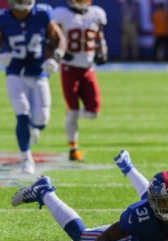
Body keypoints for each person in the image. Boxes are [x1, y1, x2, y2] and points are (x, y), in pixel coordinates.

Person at [11, 150, 168, 241]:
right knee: (82, 239)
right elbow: (105, 237)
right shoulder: (139, 216)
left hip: (152, 218)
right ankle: (45, 192)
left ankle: (128, 167)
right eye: (164, 202)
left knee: (156, 196)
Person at [0, 0, 66, 174]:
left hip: (39, 72)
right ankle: (26, 157)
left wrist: (56, 57)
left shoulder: (43, 14)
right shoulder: (1, 18)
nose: (23, 3)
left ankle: (34, 127)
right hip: (15, 72)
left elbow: (60, 39)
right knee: (21, 113)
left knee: (42, 119)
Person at [52, 0, 107, 162]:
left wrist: (102, 50)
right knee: (74, 111)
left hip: (88, 68)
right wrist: (59, 51)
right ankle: (73, 148)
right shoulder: (61, 14)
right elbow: (52, 36)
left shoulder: (96, 13)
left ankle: (71, 114)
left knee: (94, 113)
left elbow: (99, 35)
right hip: (69, 68)